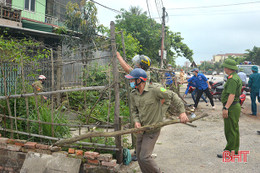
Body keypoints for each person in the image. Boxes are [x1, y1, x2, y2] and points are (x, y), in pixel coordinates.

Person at [125, 68, 189, 173]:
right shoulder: (133, 94)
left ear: (139, 80)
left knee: (145, 157)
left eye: (132, 80)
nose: (130, 82)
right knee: (139, 157)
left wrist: (182, 112)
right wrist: (136, 121)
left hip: (153, 130)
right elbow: (134, 110)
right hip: (141, 130)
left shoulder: (155, 90)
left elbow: (172, 95)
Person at [217, 59, 242, 158]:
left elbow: (231, 95)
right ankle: (234, 150)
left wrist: (226, 107)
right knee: (234, 129)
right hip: (234, 106)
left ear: (228, 68)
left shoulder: (232, 79)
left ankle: (230, 151)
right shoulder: (235, 77)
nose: (224, 69)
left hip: (231, 106)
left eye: (225, 67)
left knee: (230, 130)